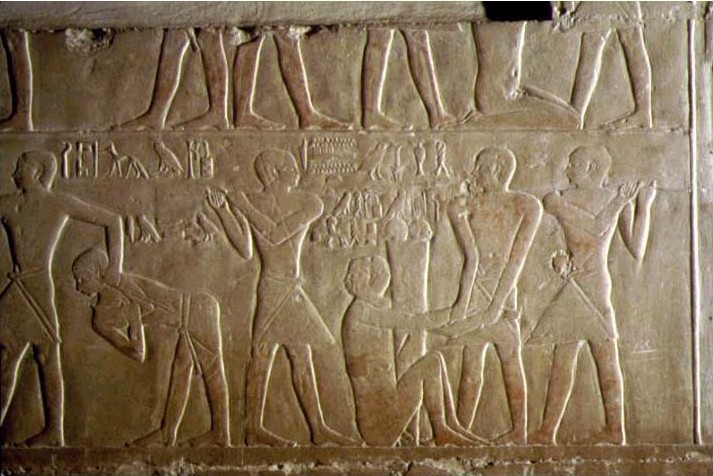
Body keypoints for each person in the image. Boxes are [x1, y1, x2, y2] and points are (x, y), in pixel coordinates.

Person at [207, 149, 353, 446]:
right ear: (273, 172)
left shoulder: (308, 202)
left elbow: (276, 234)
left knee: (300, 356)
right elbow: (245, 249)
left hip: (291, 287)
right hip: (272, 285)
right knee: (262, 354)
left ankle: (317, 429)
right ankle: (253, 428)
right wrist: (223, 211)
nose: (296, 172)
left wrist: (242, 205)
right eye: (289, 167)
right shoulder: (254, 202)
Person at [527, 145, 656, 445]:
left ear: (591, 168)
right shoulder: (557, 199)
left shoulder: (614, 199)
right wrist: (557, 257)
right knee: (563, 356)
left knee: (604, 354)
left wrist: (644, 206)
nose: (567, 169)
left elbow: (637, 249)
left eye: (574, 164)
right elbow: (593, 227)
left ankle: (614, 430)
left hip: (596, 284)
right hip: (573, 282)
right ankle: (547, 431)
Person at [0, 150, 124, 446]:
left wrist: (114, 270)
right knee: (6, 358)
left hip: (37, 287)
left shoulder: (58, 203)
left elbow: (113, 221)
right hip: (17, 288)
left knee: (45, 355)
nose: (16, 171)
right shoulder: (8, 203)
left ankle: (55, 431)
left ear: (38, 170)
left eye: (22, 165)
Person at [71, 248, 231, 447]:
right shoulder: (101, 319)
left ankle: (220, 432)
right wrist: (134, 321)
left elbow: (148, 306)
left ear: (98, 273)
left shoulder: (121, 283)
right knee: (181, 371)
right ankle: (168, 433)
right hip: (183, 319)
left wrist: (134, 313)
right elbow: (138, 353)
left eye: (83, 279)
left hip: (198, 309)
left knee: (211, 371)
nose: (78, 286)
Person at [438, 147, 542, 444]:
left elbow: (515, 261)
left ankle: (519, 431)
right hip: (477, 296)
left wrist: (497, 304)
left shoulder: (526, 205)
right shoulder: (468, 205)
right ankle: (462, 431)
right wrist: (464, 303)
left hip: (504, 297)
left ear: (497, 169)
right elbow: (471, 258)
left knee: (509, 359)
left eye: (481, 167)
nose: (476, 173)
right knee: (471, 365)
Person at [342, 256, 482, 446]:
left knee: (435, 359)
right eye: (367, 276)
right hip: (377, 426)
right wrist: (454, 313)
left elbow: (419, 325)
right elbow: (413, 322)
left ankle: (451, 426)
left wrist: (459, 321)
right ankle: (441, 430)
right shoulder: (361, 312)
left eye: (371, 276)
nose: (375, 283)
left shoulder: (365, 311)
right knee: (431, 363)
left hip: (383, 416)